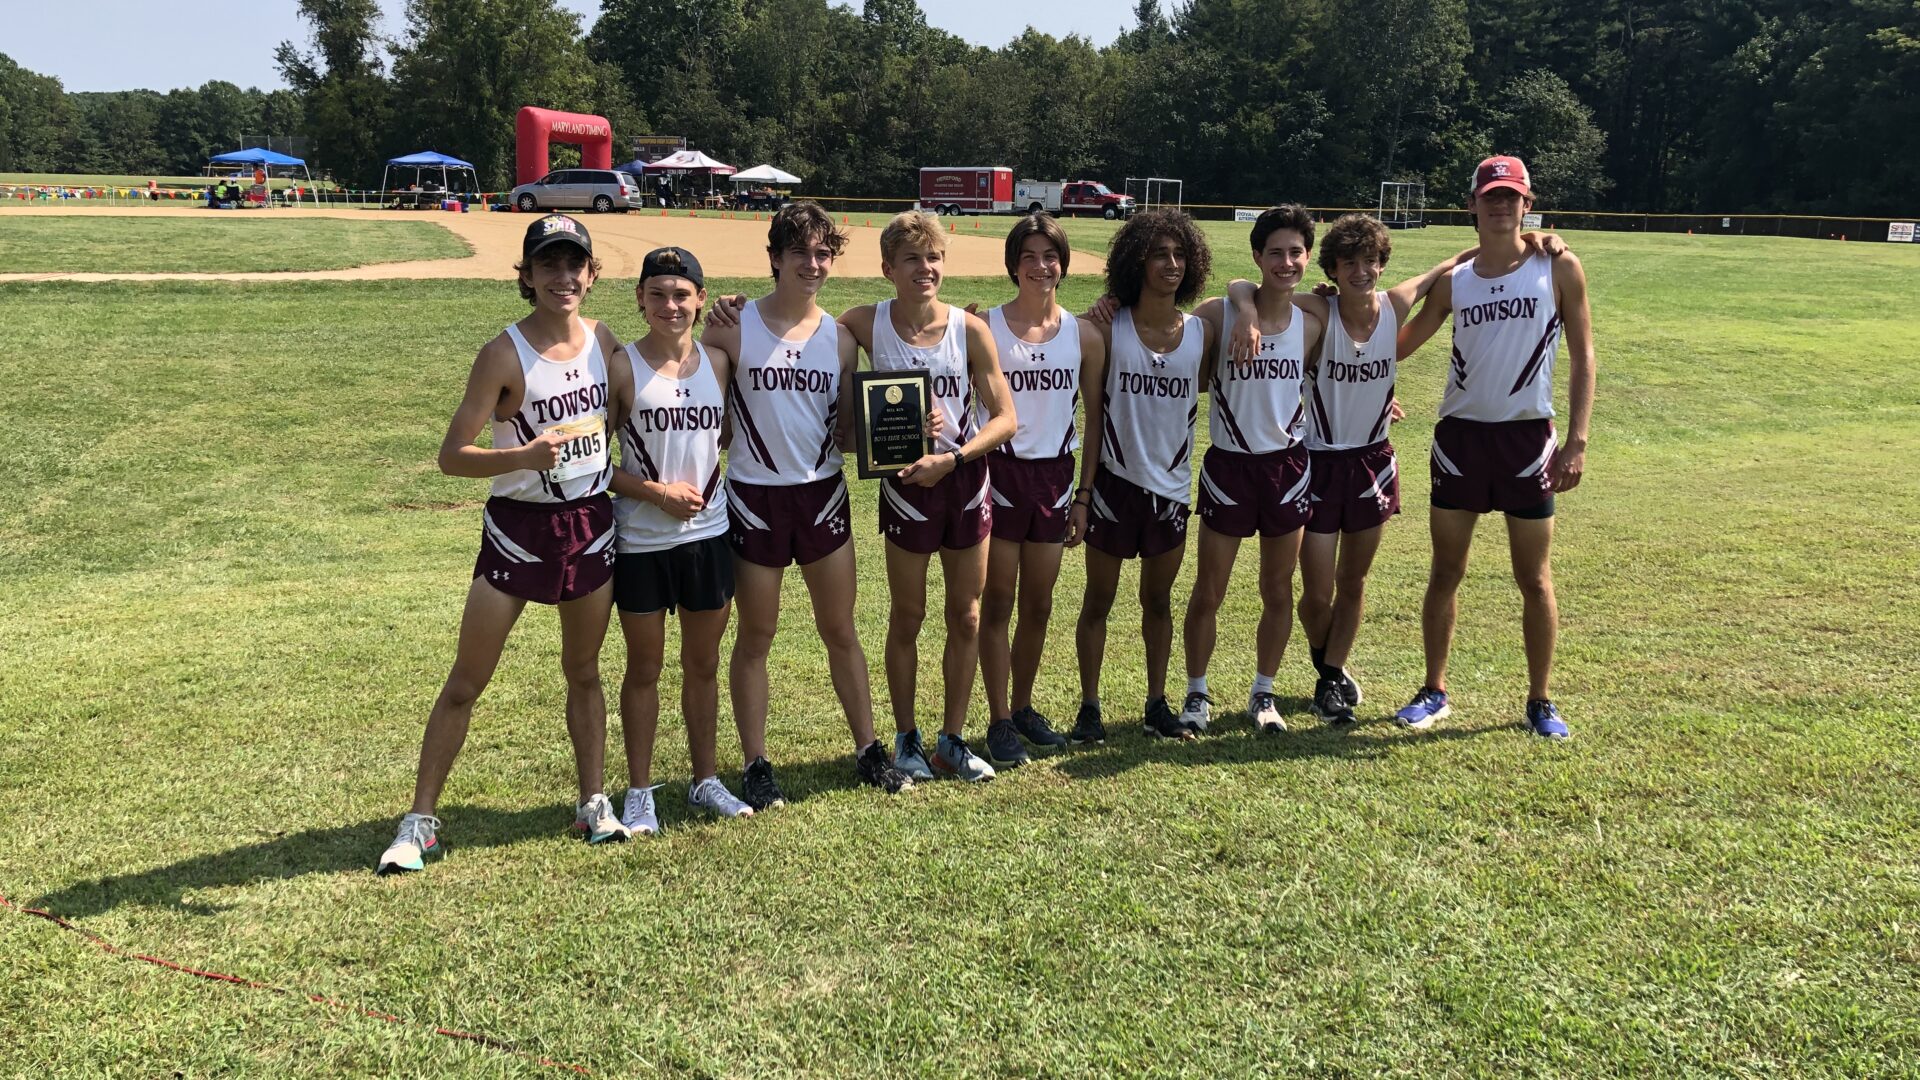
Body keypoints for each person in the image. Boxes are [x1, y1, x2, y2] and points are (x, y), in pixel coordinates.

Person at [378, 214, 632, 873]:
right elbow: (451, 457)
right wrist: (521, 455)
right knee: (466, 680)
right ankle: (419, 819)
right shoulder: (502, 353)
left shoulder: (606, 342)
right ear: (525, 276)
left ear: (592, 274)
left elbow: (649, 402)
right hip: (518, 532)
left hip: (590, 523)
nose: (563, 276)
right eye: (548, 265)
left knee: (583, 671)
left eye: (574, 263)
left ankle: (593, 801)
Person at [698, 202, 914, 804]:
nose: (814, 264)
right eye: (801, 253)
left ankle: (869, 748)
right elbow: (703, 417)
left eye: (824, 254)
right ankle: (757, 763)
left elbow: (847, 431)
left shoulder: (841, 339)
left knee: (840, 629)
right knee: (757, 635)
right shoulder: (729, 327)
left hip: (822, 495)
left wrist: (916, 427)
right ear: (774, 259)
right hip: (755, 497)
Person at [1392, 155, 1596, 739]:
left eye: (1512, 196)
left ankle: (1540, 700)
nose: (1502, 204)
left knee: (1534, 579)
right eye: (1491, 196)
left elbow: (1584, 357)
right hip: (1460, 441)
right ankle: (1434, 691)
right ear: (1473, 205)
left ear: (1527, 203)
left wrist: (1577, 440)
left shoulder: (1558, 268)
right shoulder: (1458, 282)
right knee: (1445, 572)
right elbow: (1400, 346)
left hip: (1528, 441)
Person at [838, 212, 1017, 782]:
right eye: (912, 259)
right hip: (907, 489)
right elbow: (806, 339)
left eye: (934, 257)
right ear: (888, 268)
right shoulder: (863, 324)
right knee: (908, 615)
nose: (926, 268)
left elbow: (1006, 419)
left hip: (962, 483)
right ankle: (908, 739)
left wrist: (956, 457)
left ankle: (952, 740)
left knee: (966, 616)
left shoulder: (970, 328)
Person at [1291, 214, 1468, 725]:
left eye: (1370, 261)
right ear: (1333, 269)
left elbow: (1445, 269)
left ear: (1382, 263)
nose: (1362, 271)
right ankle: (1327, 667)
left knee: (1354, 581)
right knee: (1317, 594)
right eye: (1349, 264)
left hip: (1372, 461)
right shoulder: (1318, 313)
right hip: (1319, 463)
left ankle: (1330, 679)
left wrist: (1525, 242)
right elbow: (1259, 297)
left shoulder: (1394, 305)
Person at [606, 246, 754, 837]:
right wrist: (655, 493)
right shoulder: (622, 367)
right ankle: (640, 792)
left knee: (704, 664)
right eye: (658, 294)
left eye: (682, 294)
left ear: (699, 298)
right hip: (641, 539)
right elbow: (593, 464)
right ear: (640, 299)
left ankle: (705, 778)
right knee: (644, 667)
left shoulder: (719, 362)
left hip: (709, 536)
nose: (671, 305)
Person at [1176, 206, 1326, 736]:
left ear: (1306, 257)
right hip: (1230, 465)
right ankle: (1196, 694)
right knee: (1209, 589)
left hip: (1288, 466)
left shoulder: (1314, 320)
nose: (1286, 262)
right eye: (1275, 253)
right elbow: (1183, 354)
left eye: (1296, 252)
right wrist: (1242, 304)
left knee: (1277, 589)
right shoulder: (1219, 314)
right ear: (1257, 257)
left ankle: (1264, 692)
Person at [1074, 209, 1217, 743]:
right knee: (1098, 602)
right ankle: (1089, 707)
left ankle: (1156, 703)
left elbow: (1272, 328)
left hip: (1171, 491)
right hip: (1115, 486)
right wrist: (1083, 495)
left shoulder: (1202, 333)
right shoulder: (1108, 327)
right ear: (1136, 260)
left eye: (1180, 254)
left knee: (1158, 603)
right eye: (1159, 253)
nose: (1171, 264)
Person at [976, 214, 1107, 762]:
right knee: (999, 600)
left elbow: (1096, 419)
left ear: (1063, 264)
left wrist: (1082, 496)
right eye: (1028, 256)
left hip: (1055, 478)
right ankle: (1000, 718)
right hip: (1002, 472)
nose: (1040, 266)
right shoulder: (984, 326)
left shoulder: (1085, 334)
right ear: (1012, 265)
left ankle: (1023, 706)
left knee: (1039, 603)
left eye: (1049, 255)